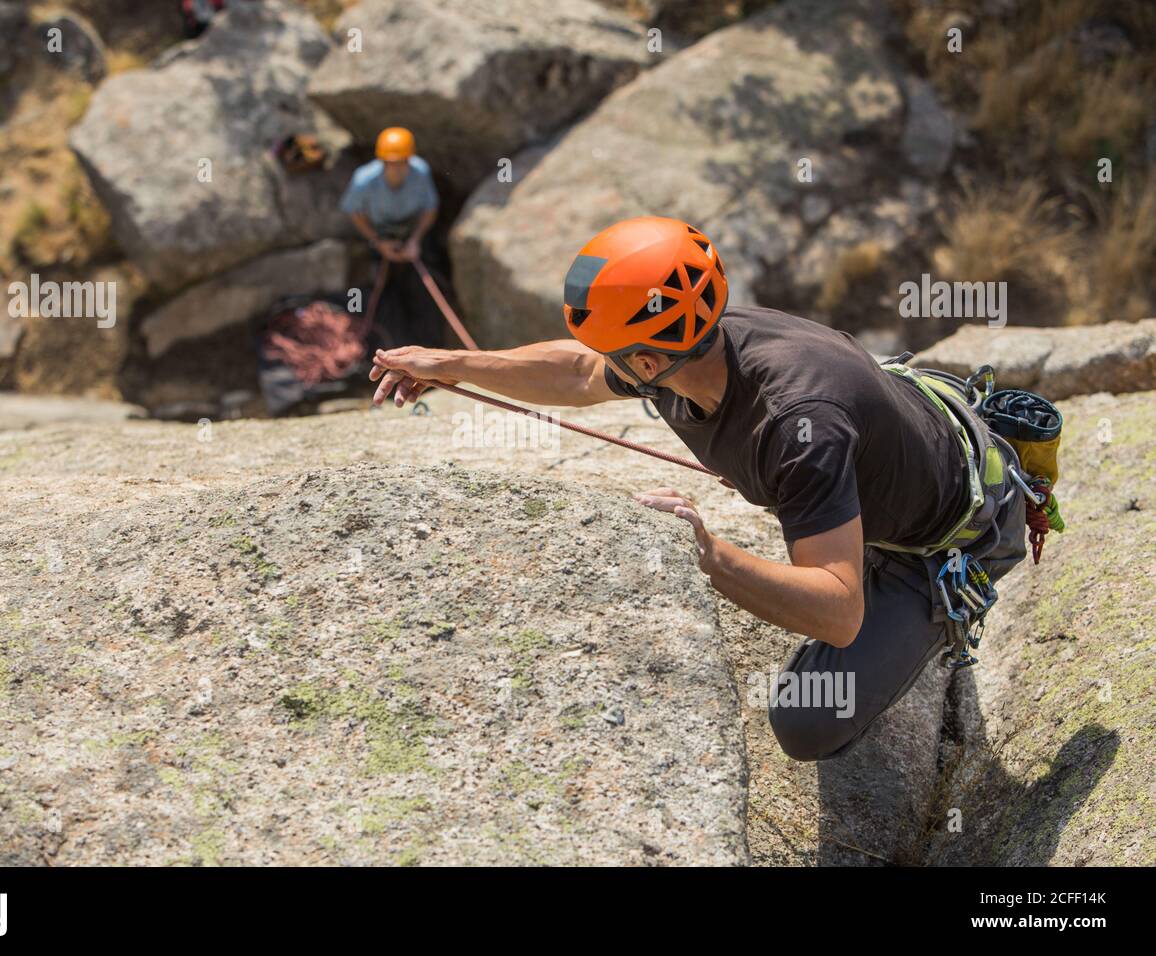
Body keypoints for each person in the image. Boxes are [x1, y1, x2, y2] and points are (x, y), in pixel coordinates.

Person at [368, 216, 1030, 762]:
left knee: (806, 722)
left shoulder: (797, 422)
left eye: (616, 351)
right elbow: (576, 374)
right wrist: (452, 364)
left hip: (940, 539)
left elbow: (837, 611)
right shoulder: (689, 347)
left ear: (649, 361)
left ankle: (938, 619)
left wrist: (708, 555)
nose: (606, 362)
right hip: (889, 475)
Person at [340, 127, 444, 347]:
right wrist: (378, 242)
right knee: (381, 286)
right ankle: (389, 339)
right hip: (382, 233)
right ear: (382, 161)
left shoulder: (420, 173)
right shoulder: (364, 180)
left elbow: (430, 209)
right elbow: (354, 212)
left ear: (409, 159)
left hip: (412, 232)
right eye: (391, 163)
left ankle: (430, 339)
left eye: (401, 162)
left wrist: (416, 239)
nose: (396, 169)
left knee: (426, 282)